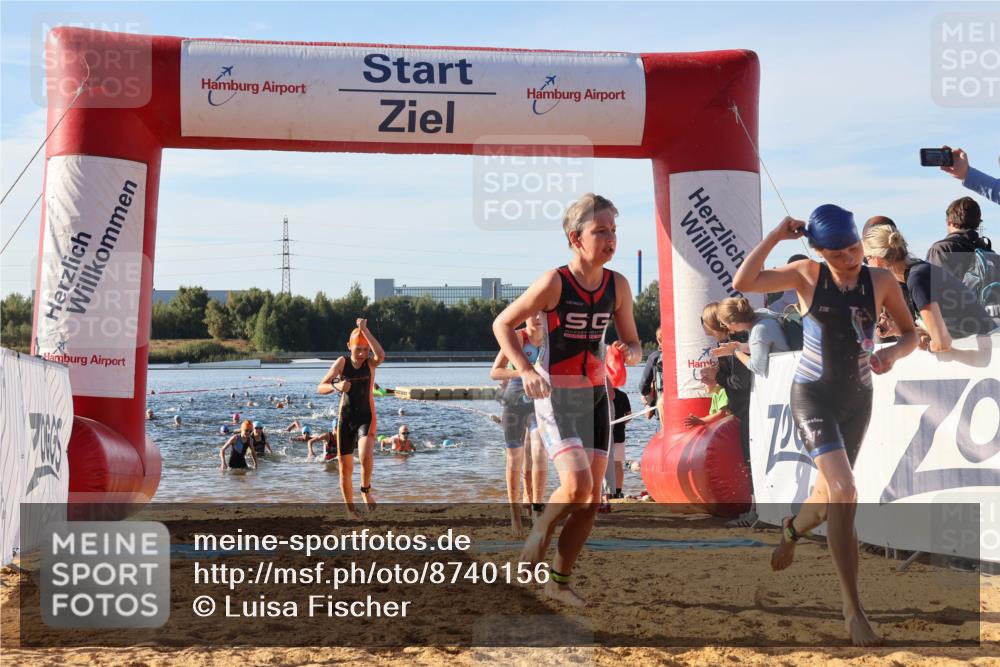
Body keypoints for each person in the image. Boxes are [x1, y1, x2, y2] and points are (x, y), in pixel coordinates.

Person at [732, 204, 918, 646]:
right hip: (813, 395)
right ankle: (853, 610)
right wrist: (778, 235)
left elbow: (910, 334)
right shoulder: (806, 275)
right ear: (818, 250)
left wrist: (892, 354)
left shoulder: (882, 280)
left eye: (854, 248)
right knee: (847, 491)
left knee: (828, 497)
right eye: (838, 253)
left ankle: (792, 529)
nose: (850, 258)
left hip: (858, 398)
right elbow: (743, 283)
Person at [493, 192, 641, 608]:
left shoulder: (619, 285)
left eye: (613, 230)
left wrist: (628, 352)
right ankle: (540, 528)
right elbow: (503, 323)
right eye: (601, 231)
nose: (610, 239)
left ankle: (557, 581)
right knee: (575, 485)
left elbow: (633, 342)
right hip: (555, 394)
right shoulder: (554, 282)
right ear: (576, 239)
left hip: (596, 396)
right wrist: (523, 369)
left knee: (592, 499)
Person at [863, 225, 996, 350]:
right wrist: (897, 330)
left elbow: (941, 343)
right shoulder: (917, 273)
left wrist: (927, 345)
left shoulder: (917, 279)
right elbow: (942, 331)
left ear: (878, 260)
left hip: (988, 352)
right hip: (984, 347)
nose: (867, 265)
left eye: (867, 259)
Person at [317, 318, 385, 517]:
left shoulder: (370, 364)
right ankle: (350, 509)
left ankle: (365, 491)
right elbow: (320, 387)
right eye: (358, 349)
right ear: (349, 346)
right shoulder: (342, 362)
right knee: (345, 468)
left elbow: (380, 354)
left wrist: (365, 329)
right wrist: (336, 386)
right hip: (345, 419)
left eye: (365, 349)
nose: (363, 353)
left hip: (366, 416)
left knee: (365, 455)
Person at [490, 312, 547, 537]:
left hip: (539, 406)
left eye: (541, 313)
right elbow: (495, 372)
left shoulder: (552, 339)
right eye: (531, 314)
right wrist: (523, 372)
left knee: (539, 452)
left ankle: (536, 509)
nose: (536, 317)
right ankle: (515, 515)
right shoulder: (517, 339)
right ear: (525, 319)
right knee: (515, 460)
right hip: (513, 406)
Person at [714, 296, 790, 378]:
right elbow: (762, 346)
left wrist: (735, 352)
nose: (726, 327)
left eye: (724, 324)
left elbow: (757, 368)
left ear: (733, 323)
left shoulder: (758, 330)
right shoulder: (762, 314)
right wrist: (739, 346)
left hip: (784, 375)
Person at [926, 196, 993, 281]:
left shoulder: (941, 249)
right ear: (978, 222)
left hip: (951, 294)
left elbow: (937, 287)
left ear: (949, 221)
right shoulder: (988, 251)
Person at [682, 364, 729, 429]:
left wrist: (701, 420)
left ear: (716, 381)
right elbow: (713, 415)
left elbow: (721, 414)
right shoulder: (715, 394)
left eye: (705, 379)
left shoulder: (723, 391)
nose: (701, 381)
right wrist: (700, 420)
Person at [608, 384, 631, 499]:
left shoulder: (602, 394)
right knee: (617, 463)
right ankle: (618, 491)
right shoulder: (622, 395)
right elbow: (629, 416)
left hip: (604, 433)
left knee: (603, 462)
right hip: (619, 433)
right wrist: (621, 424)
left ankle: (607, 490)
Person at [638, 327, 663, 424]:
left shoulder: (655, 357)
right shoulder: (681, 355)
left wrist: (648, 401)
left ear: (658, 339)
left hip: (661, 409)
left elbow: (643, 387)